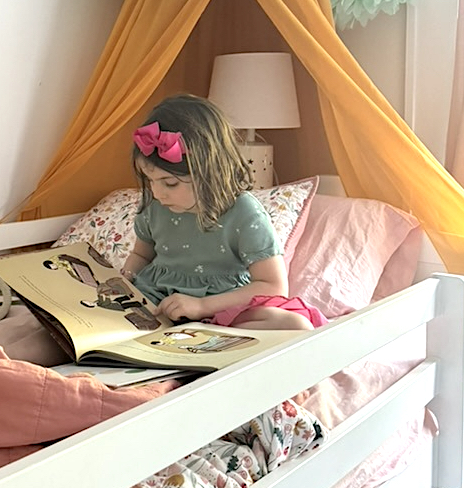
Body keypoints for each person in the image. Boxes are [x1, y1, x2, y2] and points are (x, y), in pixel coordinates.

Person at [121, 94, 327, 339]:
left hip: (223, 307)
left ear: (209, 170)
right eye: (150, 181)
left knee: (296, 325)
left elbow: (274, 286)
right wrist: (123, 284)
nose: (157, 192)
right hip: (161, 303)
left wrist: (201, 307)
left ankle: (212, 338)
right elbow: (141, 255)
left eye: (170, 183)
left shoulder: (243, 213)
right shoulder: (154, 205)